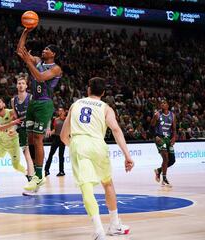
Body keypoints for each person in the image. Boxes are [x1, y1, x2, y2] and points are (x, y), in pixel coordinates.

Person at [60, 77, 134, 240]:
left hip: (79, 143)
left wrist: (75, 146)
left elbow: (63, 136)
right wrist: (127, 156)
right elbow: (116, 130)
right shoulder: (106, 108)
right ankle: (115, 225)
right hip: (98, 145)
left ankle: (99, 230)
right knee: (107, 183)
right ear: (103, 92)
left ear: (88, 90)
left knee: (86, 188)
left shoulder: (76, 104)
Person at [17, 28, 62, 192]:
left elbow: (40, 77)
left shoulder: (56, 68)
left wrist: (28, 62)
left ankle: (38, 176)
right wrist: (25, 32)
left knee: (37, 138)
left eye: (47, 49)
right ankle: (36, 173)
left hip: (44, 103)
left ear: (53, 54)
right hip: (33, 102)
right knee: (30, 139)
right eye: (44, 49)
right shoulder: (38, 61)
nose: (44, 50)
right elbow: (20, 51)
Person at [0, 98, 26, 194]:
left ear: (3, 104)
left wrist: (14, 128)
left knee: (16, 166)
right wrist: (13, 123)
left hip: (13, 142)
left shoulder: (11, 112)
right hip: (1, 142)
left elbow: (20, 121)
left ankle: (29, 175)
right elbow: (1, 128)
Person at [11, 76, 34, 182]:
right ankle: (32, 177)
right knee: (27, 155)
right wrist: (13, 128)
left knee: (30, 154)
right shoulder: (13, 100)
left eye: (23, 83)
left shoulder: (31, 97)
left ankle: (32, 177)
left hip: (31, 128)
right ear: (16, 85)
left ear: (26, 86)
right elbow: (16, 118)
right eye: (19, 83)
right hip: (21, 130)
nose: (20, 85)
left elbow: (36, 113)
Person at [150, 99, 177, 187]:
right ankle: (164, 179)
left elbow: (174, 129)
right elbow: (151, 127)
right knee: (165, 157)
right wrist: (155, 136)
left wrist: (173, 137)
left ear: (168, 105)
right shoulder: (157, 114)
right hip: (159, 138)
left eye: (164, 103)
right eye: (161, 103)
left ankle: (158, 170)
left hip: (168, 139)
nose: (162, 104)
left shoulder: (172, 115)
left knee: (172, 160)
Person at [44, 107, 66, 177]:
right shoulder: (55, 120)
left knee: (61, 156)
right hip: (56, 138)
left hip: (63, 139)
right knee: (51, 154)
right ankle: (46, 170)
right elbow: (54, 129)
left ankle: (61, 171)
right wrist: (50, 132)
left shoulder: (66, 120)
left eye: (61, 111)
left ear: (64, 112)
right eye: (59, 111)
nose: (60, 112)